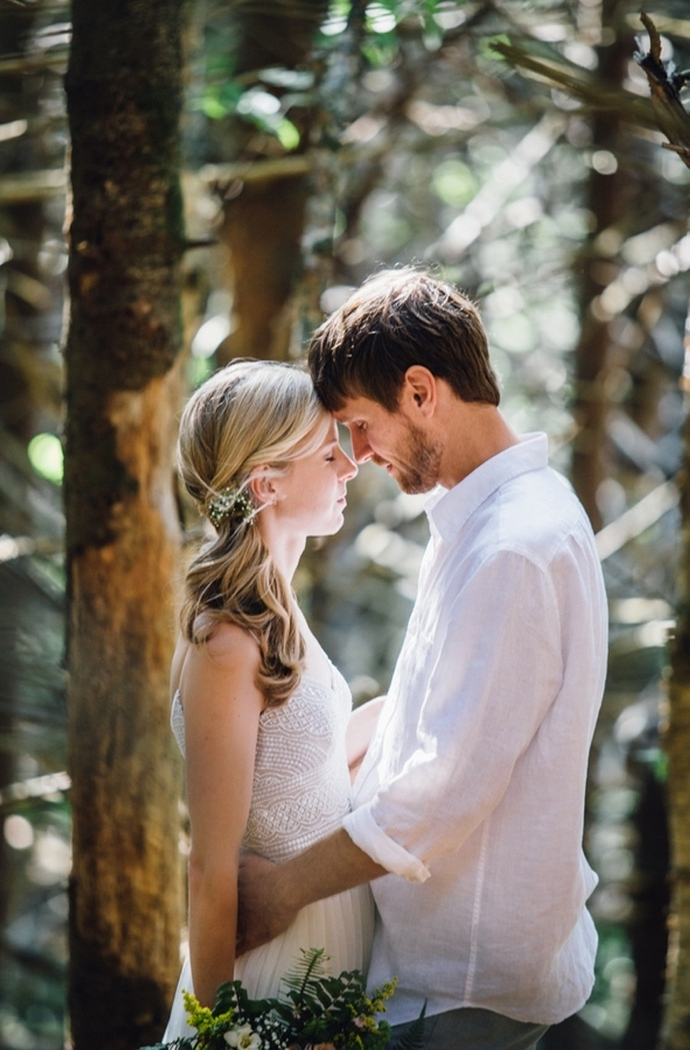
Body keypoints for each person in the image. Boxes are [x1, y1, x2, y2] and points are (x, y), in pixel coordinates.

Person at [236, 268, 609, 1050]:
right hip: (441, 969)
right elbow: (430, 718)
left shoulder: (515, 547)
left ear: (418, 390)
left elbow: (443, 788)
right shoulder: (485, 520)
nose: (358, 454)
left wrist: (280, 891)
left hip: (464, 981)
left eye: (361, 425)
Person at [162, 359, 381, 1041]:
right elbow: (210, 866)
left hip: (330, 943)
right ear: (266, 482)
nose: (350, 467)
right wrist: (224, 1030)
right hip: (274, 974)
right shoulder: (227, 644)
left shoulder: (277, 608)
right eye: (327, 452)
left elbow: (290, 774)